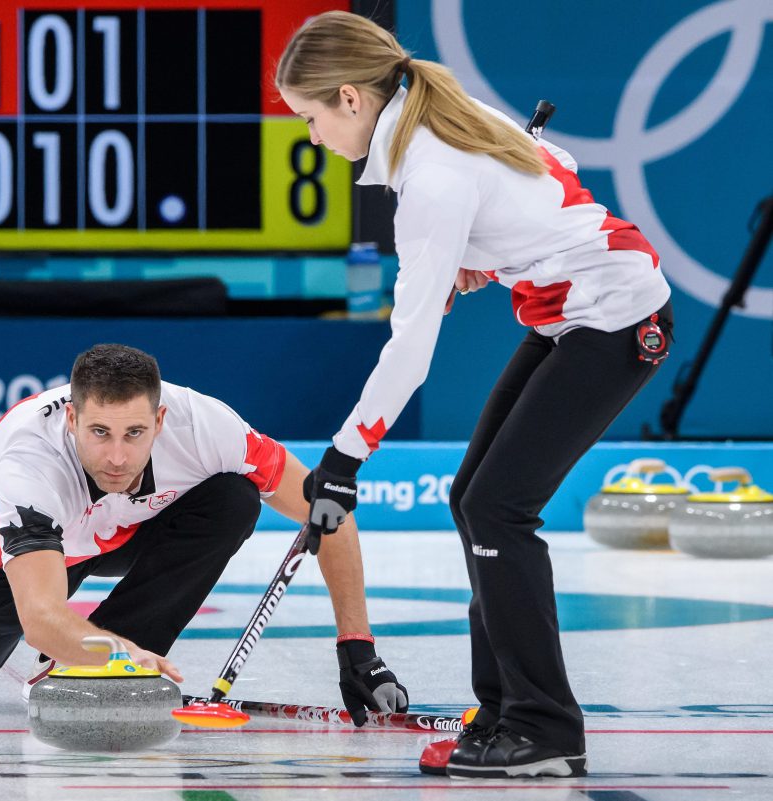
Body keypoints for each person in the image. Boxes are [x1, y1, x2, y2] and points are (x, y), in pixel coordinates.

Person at [276, 11, 672, 780]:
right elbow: (549, 164)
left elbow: (411, 348)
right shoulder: (442, 108)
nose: (315, 138)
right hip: (575, 312)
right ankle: (500, 713)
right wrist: (489, 256)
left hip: (619, 318)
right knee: (473, 498)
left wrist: (343, 456)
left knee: (499, 508)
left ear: (351, 99)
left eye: (312, 118)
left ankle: (545, 724)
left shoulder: (430, 175)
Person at [0, 343, 407, 724]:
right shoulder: (27, 464)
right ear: (71, 418)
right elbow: (41, 616)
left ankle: (92, 666)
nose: (117, 456)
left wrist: (358, 647)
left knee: (232, 497)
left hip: (123, 532)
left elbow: (326, 512)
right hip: (5, 557)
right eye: (99, 432)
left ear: (161, 419)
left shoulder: (207, 426)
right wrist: (118, 653)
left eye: (134, 433)